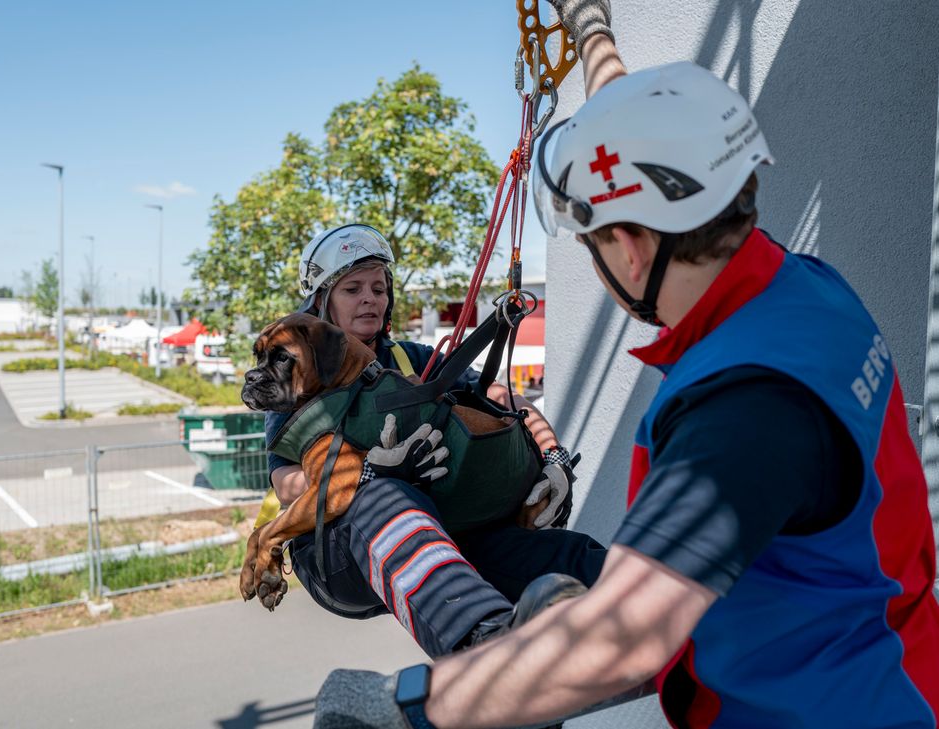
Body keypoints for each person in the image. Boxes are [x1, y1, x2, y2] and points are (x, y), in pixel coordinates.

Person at [312, 2, 939, 727]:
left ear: (632, 250)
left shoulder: (743, 408)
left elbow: (625, 641)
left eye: (592, 242)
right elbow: (653, 135)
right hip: (883, 666)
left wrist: (404, 705)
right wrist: (590, 30)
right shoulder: (807, 294)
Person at [261, 222, 608, 659]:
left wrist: (553, 457)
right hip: (337, 548)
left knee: (567, 557)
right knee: (386, 495)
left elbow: (502, 397)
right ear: (321, 300)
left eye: (378, 287)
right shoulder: (293, 372)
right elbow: (286, 481)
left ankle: (649, 601)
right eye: (353, 288)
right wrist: (367, 473)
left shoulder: (412, 360)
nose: (370, 297)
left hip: (440, 530)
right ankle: (479, 642)